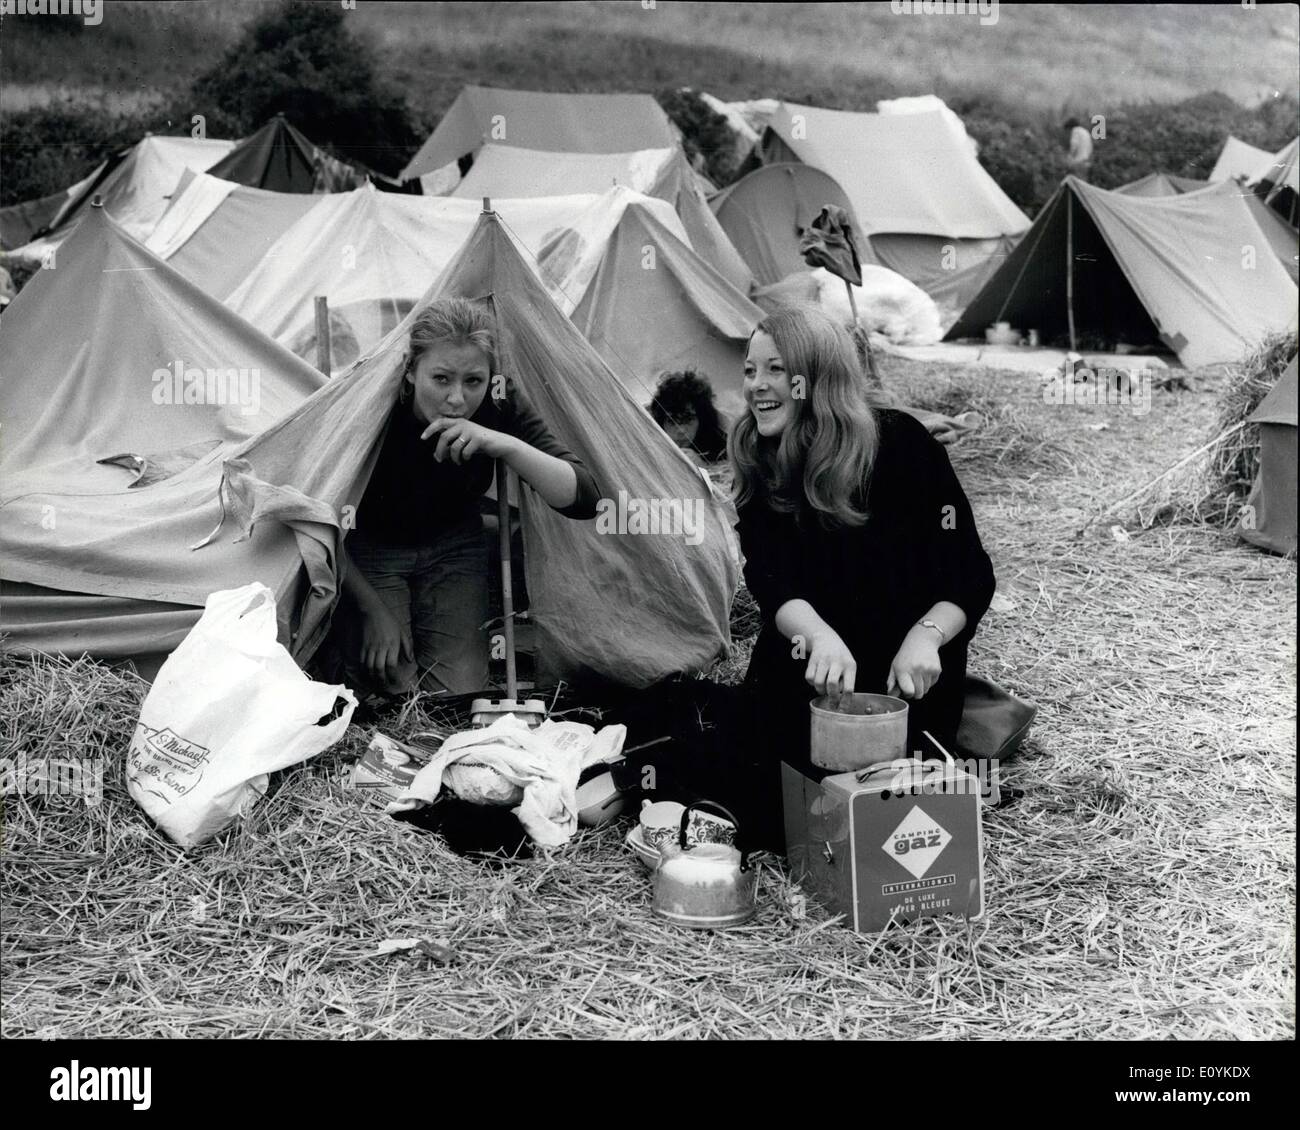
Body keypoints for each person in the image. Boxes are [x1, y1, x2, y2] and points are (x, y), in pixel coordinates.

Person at [730, 308, 995, 839]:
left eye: (776, 370)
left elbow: (969, 575)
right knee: (770, 812)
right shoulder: (759, 454)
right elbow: (770, 578)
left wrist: (926, 640)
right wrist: (820, 638)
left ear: (816, 378)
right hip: (812, 671)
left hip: (908, 685)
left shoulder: (901, 446)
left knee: (891, 813)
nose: (757, 386)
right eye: (750, 370)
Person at [333, 297, 601, 700]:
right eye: (441, 379)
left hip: (454, 546)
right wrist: (372, 612)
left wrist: (503, 443)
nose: (457, 399)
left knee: (454, 698)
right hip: (372, 549)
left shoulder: (498, 401)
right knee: (388, 685)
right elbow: (316, 518)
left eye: (473, 381)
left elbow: (583, 498)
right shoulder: (374, 405)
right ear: (409, 371)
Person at [648, 369, 729, 463]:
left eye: (689, 420)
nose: (681, 430)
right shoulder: (649, 435)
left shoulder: (722, 441)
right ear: (661, 422)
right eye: (672, 422)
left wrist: (704, 469)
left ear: (701, 419)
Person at [1063, 116, 1093, 181]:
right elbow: (1090, 149)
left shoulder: (1075, 131)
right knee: (1083, 185)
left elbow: (1074, 146)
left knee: (1076, 185)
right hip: (1086, 163)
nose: (1068, 133)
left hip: (1078, 163)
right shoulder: (1085, 132)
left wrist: (1069, 159)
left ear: (1069, 128)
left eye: (1067, 131)